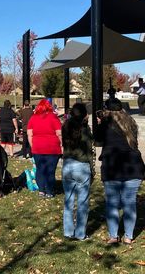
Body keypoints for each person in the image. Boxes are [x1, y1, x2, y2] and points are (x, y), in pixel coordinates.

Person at [96, 98, 145, 244]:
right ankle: (128, 236)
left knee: (112, 202)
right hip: (133, 166)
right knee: (129, 202)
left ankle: (113, 235)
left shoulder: (105, 124)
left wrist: (99, 124)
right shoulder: (131, 123)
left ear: (107, 110)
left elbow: (97, 140)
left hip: (112, 166)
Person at [62, 103, 93, 240]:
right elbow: (89, 149)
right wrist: (92, 169)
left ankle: (68, 231)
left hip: (68, 164)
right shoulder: (84, 129)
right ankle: (80, 233)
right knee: (82, 202)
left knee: (68, 200)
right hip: (82, 165)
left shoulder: (65, 126)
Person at [27, 99, 62, 198]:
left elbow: (30, 134)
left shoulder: (33, 118)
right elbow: (59, 133)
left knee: (40, 169)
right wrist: (61, 144)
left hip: (38, 147)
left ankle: (41, 190)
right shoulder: (54, 117)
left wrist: (32, 146)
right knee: (50, 170)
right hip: (52, 147)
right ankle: (49, 191)